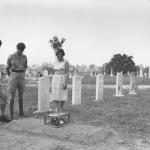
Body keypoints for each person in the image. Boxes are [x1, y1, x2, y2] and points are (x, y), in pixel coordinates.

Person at [6, 42, 28, 120]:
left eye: (23, 50)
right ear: (17, 48)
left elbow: (25, 67)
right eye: (20, 50)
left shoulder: (25, 57)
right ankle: (11, 114)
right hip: (13, 75)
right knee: (11, 97)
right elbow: (7, 68)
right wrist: (11, 76)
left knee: (21, 95)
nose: (21, 51)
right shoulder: (11, 56)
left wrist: (21, 74)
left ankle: (21, 112)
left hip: (21, 75)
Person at [51, 48, 69, 113]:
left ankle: (61, 109)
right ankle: (57, 109)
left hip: (62, 78)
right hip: (55, 78)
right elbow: (54, 71)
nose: (59, 56)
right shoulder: (55, 62)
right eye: (58, 54)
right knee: (55, 94)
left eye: (61, 54)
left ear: (63, 55)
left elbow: (67, 72)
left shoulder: (65, 62)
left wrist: (65, 82)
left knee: (62, 95)